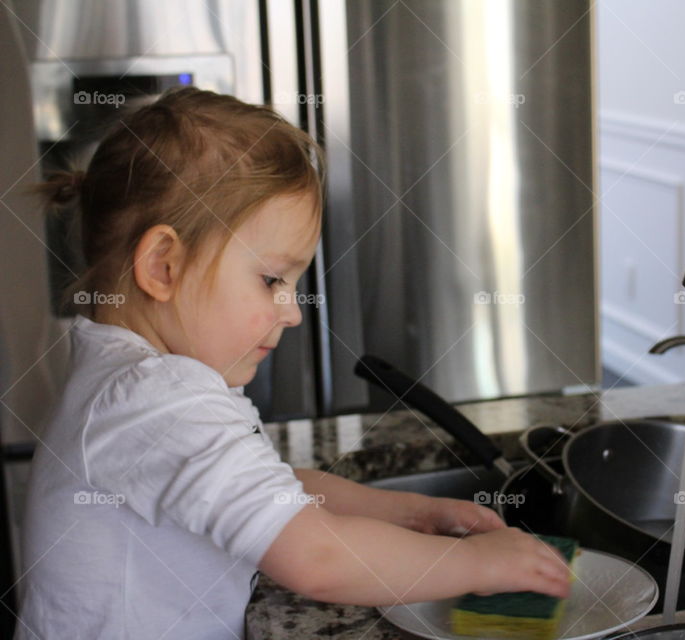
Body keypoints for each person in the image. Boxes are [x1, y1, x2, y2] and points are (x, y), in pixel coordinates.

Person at [14, 87, 571, 639]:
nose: (291, 312)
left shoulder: (136, 378)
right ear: (163, 266)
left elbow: (267, 486)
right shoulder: (156, 396)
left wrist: (403, 513)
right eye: (272, 279)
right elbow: (317, 558)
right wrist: (481, 566)